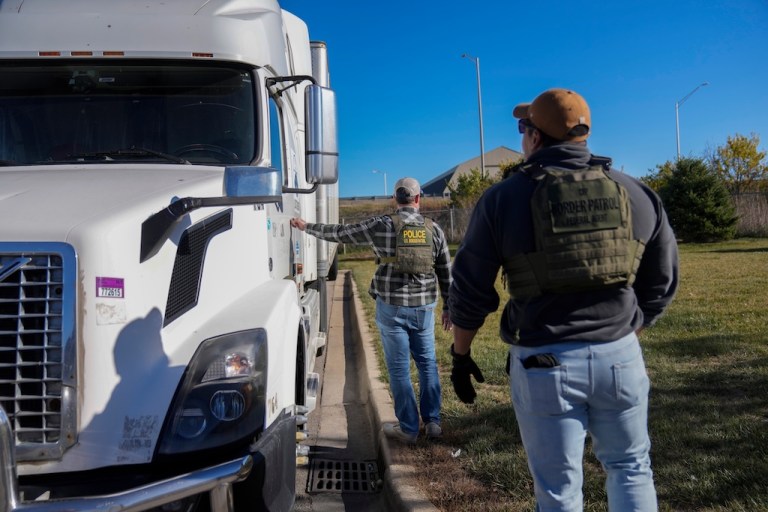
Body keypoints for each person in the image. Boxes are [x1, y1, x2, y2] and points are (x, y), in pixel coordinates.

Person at [448, 88, 679, 511]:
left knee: (558, 489)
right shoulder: (637, 193)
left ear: (535, 137)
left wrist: (460, 356)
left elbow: (470, 288)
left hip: (545, 363)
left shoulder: (504, 198)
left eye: (523, 128)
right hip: (621, 357)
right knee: (631, 467)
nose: (521, 136)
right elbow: (661, 283)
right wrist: (624, 334)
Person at [290, 177, 452, 444]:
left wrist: (308, 227)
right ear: (418, 198)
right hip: (424, 307)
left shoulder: (382, 225)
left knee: (399, 369)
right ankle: (433, 422)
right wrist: (449, 306)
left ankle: (409, 429)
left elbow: (341, 233)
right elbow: (445, 271)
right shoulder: (434, 229)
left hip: (392, 307)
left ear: (395, 199)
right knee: (427, 363)